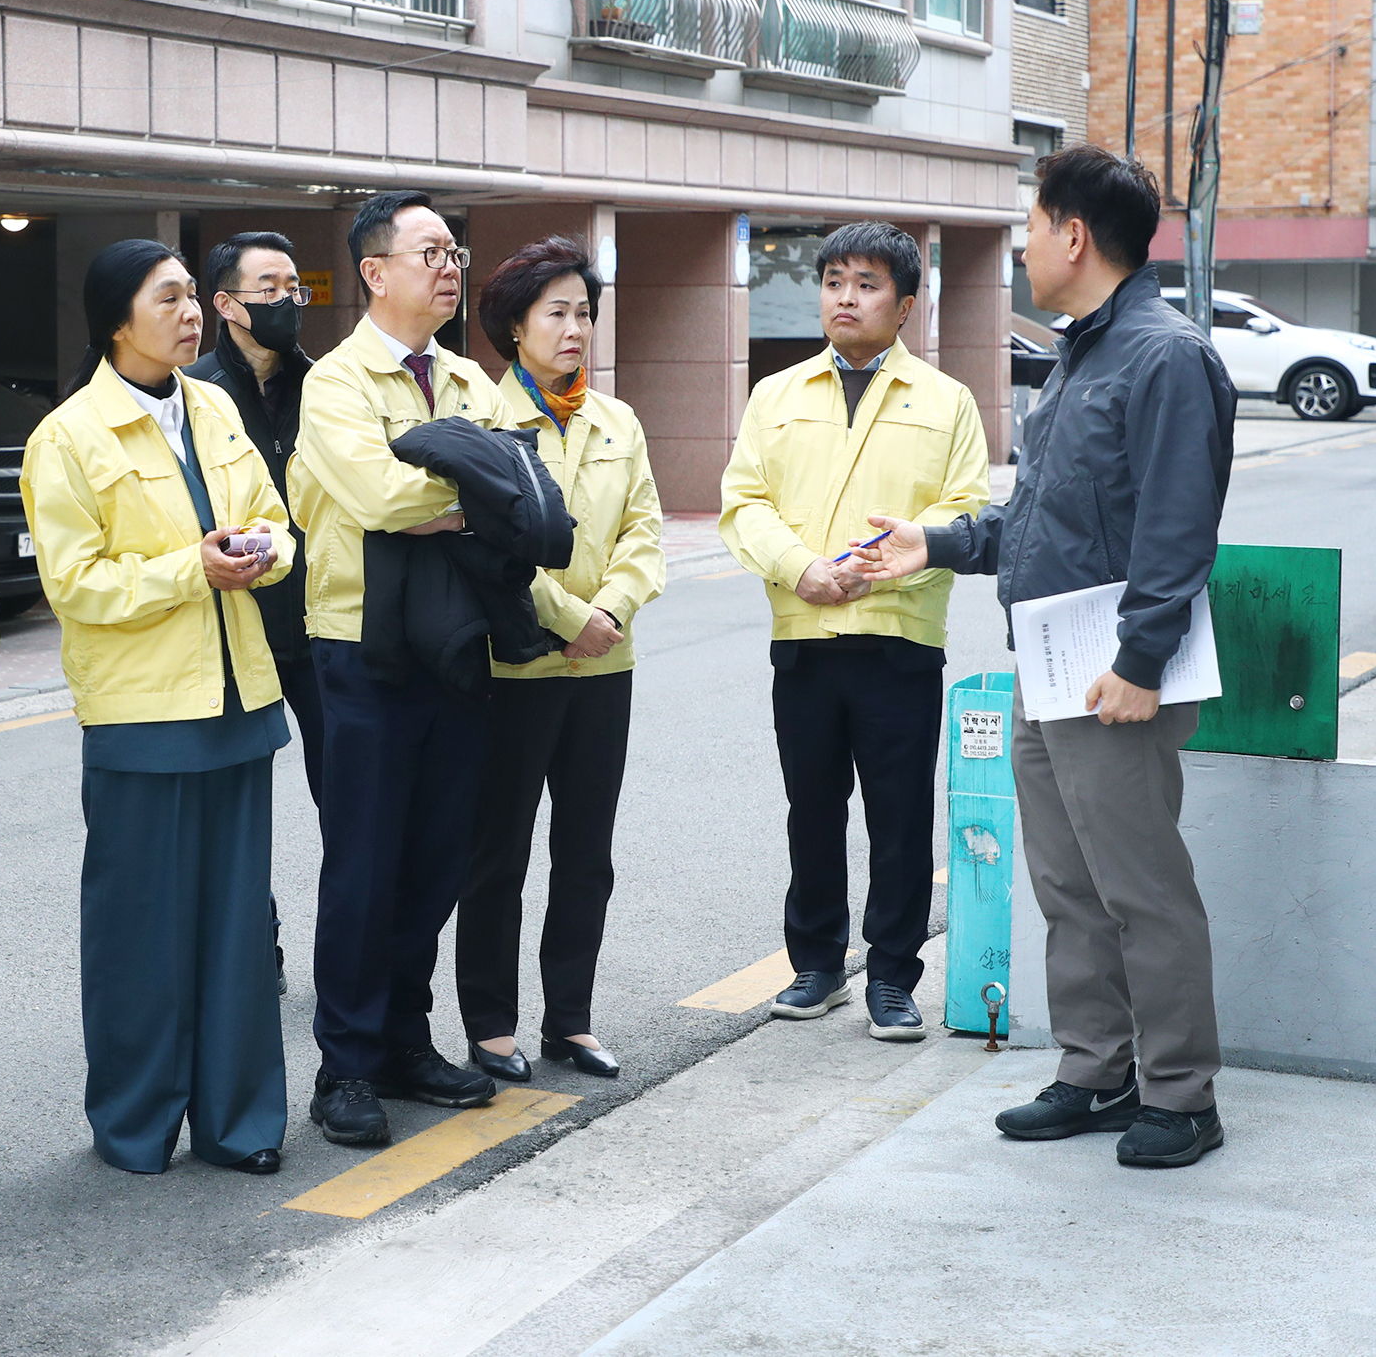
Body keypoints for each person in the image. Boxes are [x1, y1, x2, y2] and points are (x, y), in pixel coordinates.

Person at [851, 146, 1237, 1168]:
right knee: (1068, 888)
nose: (1022, 245)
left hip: (1113, 673)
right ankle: (1096, 1068)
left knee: (1141, 888)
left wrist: (1142, 661)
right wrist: (933, 542)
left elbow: (1176, 531)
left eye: (1029, 225)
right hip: (1050, 664)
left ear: (1073, 233)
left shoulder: (1165, 356)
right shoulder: (1080, 354)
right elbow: (1037, 518)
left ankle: (1182, 1094)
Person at [21, 239, 295, 1176]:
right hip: (141, 718)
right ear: (116, 319)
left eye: (192, 297)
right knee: (141, 932)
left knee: (236, 933)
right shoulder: (69, 436)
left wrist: (264, 550)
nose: (191, 313)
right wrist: (195, 569)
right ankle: (136, 1125)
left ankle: (240, 1123)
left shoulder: (214, 406)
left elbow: (275, 519)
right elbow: (75, 585)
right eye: (170, 298)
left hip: (239, 700)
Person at [718, 221, 991, 1045]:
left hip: (900, 633)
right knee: (813, 807)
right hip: (804, 627)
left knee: (899, 814)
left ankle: (893, 976)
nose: (846, 296)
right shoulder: (776, 394)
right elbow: (744, 502)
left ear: (906, 304)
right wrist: (802, 568)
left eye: (867, 283)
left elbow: (965, 509)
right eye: (835, 280)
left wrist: (881, 563)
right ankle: (816, 963)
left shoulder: (947, 401)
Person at [290, 190, 512, 1146]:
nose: (450, 264)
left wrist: (473, 491)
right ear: (374, 273)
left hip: (455, 642)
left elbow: (524, 489)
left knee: (434, 860)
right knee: (364, 864)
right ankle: (344, 1064)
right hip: (361, 647)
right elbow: (383, 497)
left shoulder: (469, 377)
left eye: (454, 249)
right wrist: (475, 492)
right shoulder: (334, 384)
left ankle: (405, 1041)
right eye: (430, 251)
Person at [453, 236, 666, 1084]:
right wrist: (568, 615)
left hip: (604, 669)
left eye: (584, 312)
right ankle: (491, 1025)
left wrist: (608, 611)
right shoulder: (483, 419)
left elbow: (644, 533)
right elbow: (490, 545)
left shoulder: (620, 421)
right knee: (497, 854)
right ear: (514, 325)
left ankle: (570, 1021)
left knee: (586, 853)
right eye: (557, 313)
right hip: (514, 671)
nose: (575, 328)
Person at [189, 232, 320, 994]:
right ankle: (254, 944)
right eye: (270, 287)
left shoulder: (329, 387)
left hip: (329, 625)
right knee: (242, 807)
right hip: (238, 627)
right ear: (227, 303)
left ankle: (346, 948)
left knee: (350, 801)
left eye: (296, 286)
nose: (288, 301)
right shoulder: (198, 395)